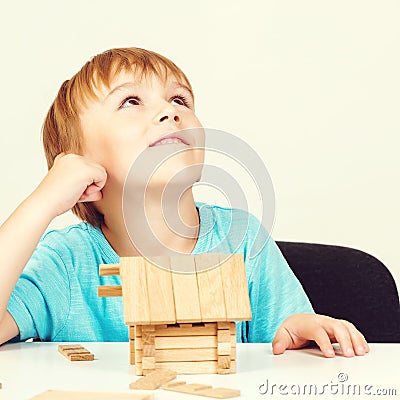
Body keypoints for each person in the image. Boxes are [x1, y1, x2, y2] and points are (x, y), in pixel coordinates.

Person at [0, 47, 369, 358]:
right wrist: (42, 202)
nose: (170, 112)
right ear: (76, 159)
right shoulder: (66, 262)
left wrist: (298, 332)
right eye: (131, 101)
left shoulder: (241, 239)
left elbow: (287, 338)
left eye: (179, 99)